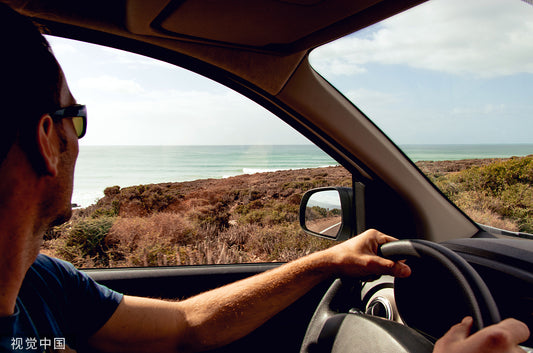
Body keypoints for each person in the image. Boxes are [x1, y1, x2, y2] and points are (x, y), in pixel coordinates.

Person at [0, 3, 529, 352]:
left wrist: (323, 261)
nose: (80, 137)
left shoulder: (43, 284)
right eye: (78, 118)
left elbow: (185, 328)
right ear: (48, 138)